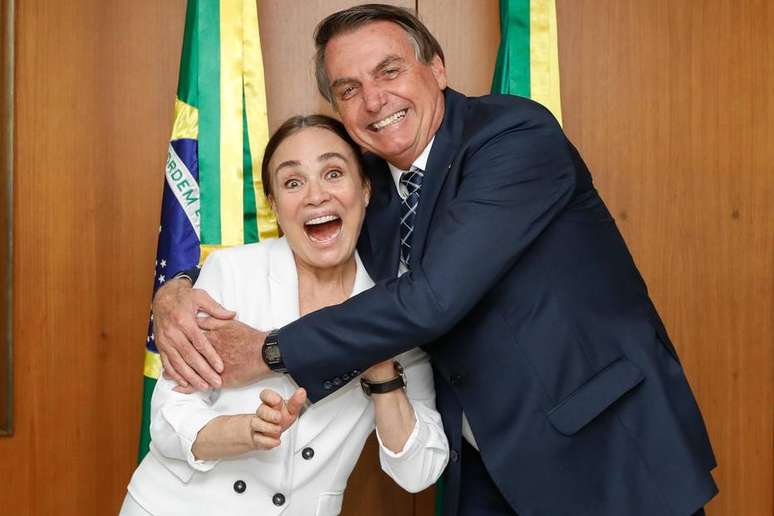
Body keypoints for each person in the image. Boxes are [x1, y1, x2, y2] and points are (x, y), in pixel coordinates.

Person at [153, 5, 717, 515]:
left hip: (605, 451)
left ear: (438, 69)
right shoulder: (367, 184)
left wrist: (270, 350)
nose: (374, 100)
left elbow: (433, 298)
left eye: (390, 71)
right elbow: (308, 231)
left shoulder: (515, 136)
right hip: (484, 464)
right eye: (349, 89)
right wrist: (175, 286)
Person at [122, 115, 449, 516]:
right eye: (293, 182)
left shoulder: (400, 303)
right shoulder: (231, 272)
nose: (315, 196)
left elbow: (420, 471)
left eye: (333, 173)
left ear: (364, 189)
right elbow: (167, 419)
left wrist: (381, 368)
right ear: (275, 205)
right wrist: (244, 432)